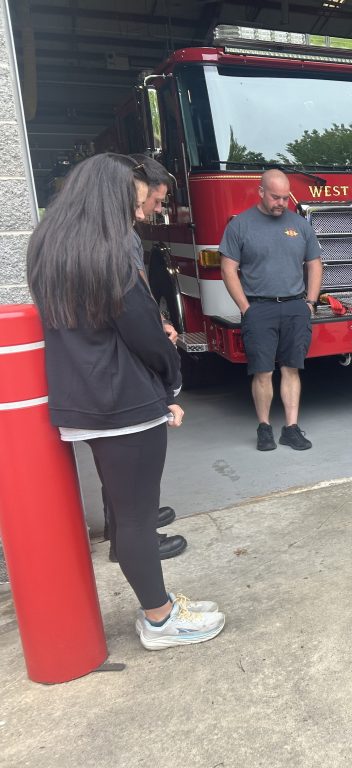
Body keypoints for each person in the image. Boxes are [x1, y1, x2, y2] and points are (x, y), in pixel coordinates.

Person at [26, 153, 225, 650]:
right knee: (136, 517)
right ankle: (159, 619)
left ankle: (159, 604)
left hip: (83, 396)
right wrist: (170, 383)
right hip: (124, 398)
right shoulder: (112, 251)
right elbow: (143, 333)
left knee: (125, 510)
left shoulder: (47, 245)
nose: (140, 212)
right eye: (137, 201)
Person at [102, 156, 185, 562]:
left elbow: (143, 294)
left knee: (118, 466)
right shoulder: (115, 243)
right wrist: (166, 360)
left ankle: (128, 524)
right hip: (124, 378)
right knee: (132, 467)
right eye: (152, 201)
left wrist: (160, 318)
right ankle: (135, 534)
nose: (151, 211)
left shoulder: (113, 237)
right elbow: (132, 304)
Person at [220, 169, 322, 451]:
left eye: (285, 198)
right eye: (275, 197)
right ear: (261, 192)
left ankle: (291, 427)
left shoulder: (299, 225)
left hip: (294, 307)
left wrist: (310, 302)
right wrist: (245, 307)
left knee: (292, 368)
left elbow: (314, 263)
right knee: (262, 372)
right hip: (259, 308)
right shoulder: (241, 225)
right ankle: (264, 427)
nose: (281, 203)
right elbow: (228, 268)